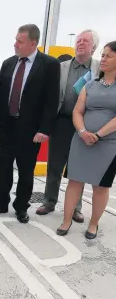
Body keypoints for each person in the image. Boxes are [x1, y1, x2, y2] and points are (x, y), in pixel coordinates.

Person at [0, 24, 60, 223]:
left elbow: (51, 101)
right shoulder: (8, 63)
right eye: (16, 39)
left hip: (31, 130)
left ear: (33, 43)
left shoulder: (49, 65)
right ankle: (0, 203)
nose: (15, 44)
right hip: (8, 126)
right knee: (3, 168)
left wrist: (45, 129)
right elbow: (0, 94)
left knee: (26, 171)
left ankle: (21, 206)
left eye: (20, 41)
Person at [37, 30, 100, 222]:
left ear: (94, 47)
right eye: (78, 40)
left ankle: (76, 208)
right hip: (62, 122)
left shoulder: (99, 68)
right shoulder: (62, 67)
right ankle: (49, 201)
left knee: (78, 167)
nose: (80, 43)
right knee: (54, 165)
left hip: (85, 124)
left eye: (85, 41)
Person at [57, 41, 116, 240]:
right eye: (103, 55)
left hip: (109, 145)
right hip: (81, 140)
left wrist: (98, 134)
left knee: (101, 186)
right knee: (74, 181)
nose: (103, 59)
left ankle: (93, 224)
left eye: (108, 56)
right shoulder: (90, 83)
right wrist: (82, 131)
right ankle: (66, 221)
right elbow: (77, 111)